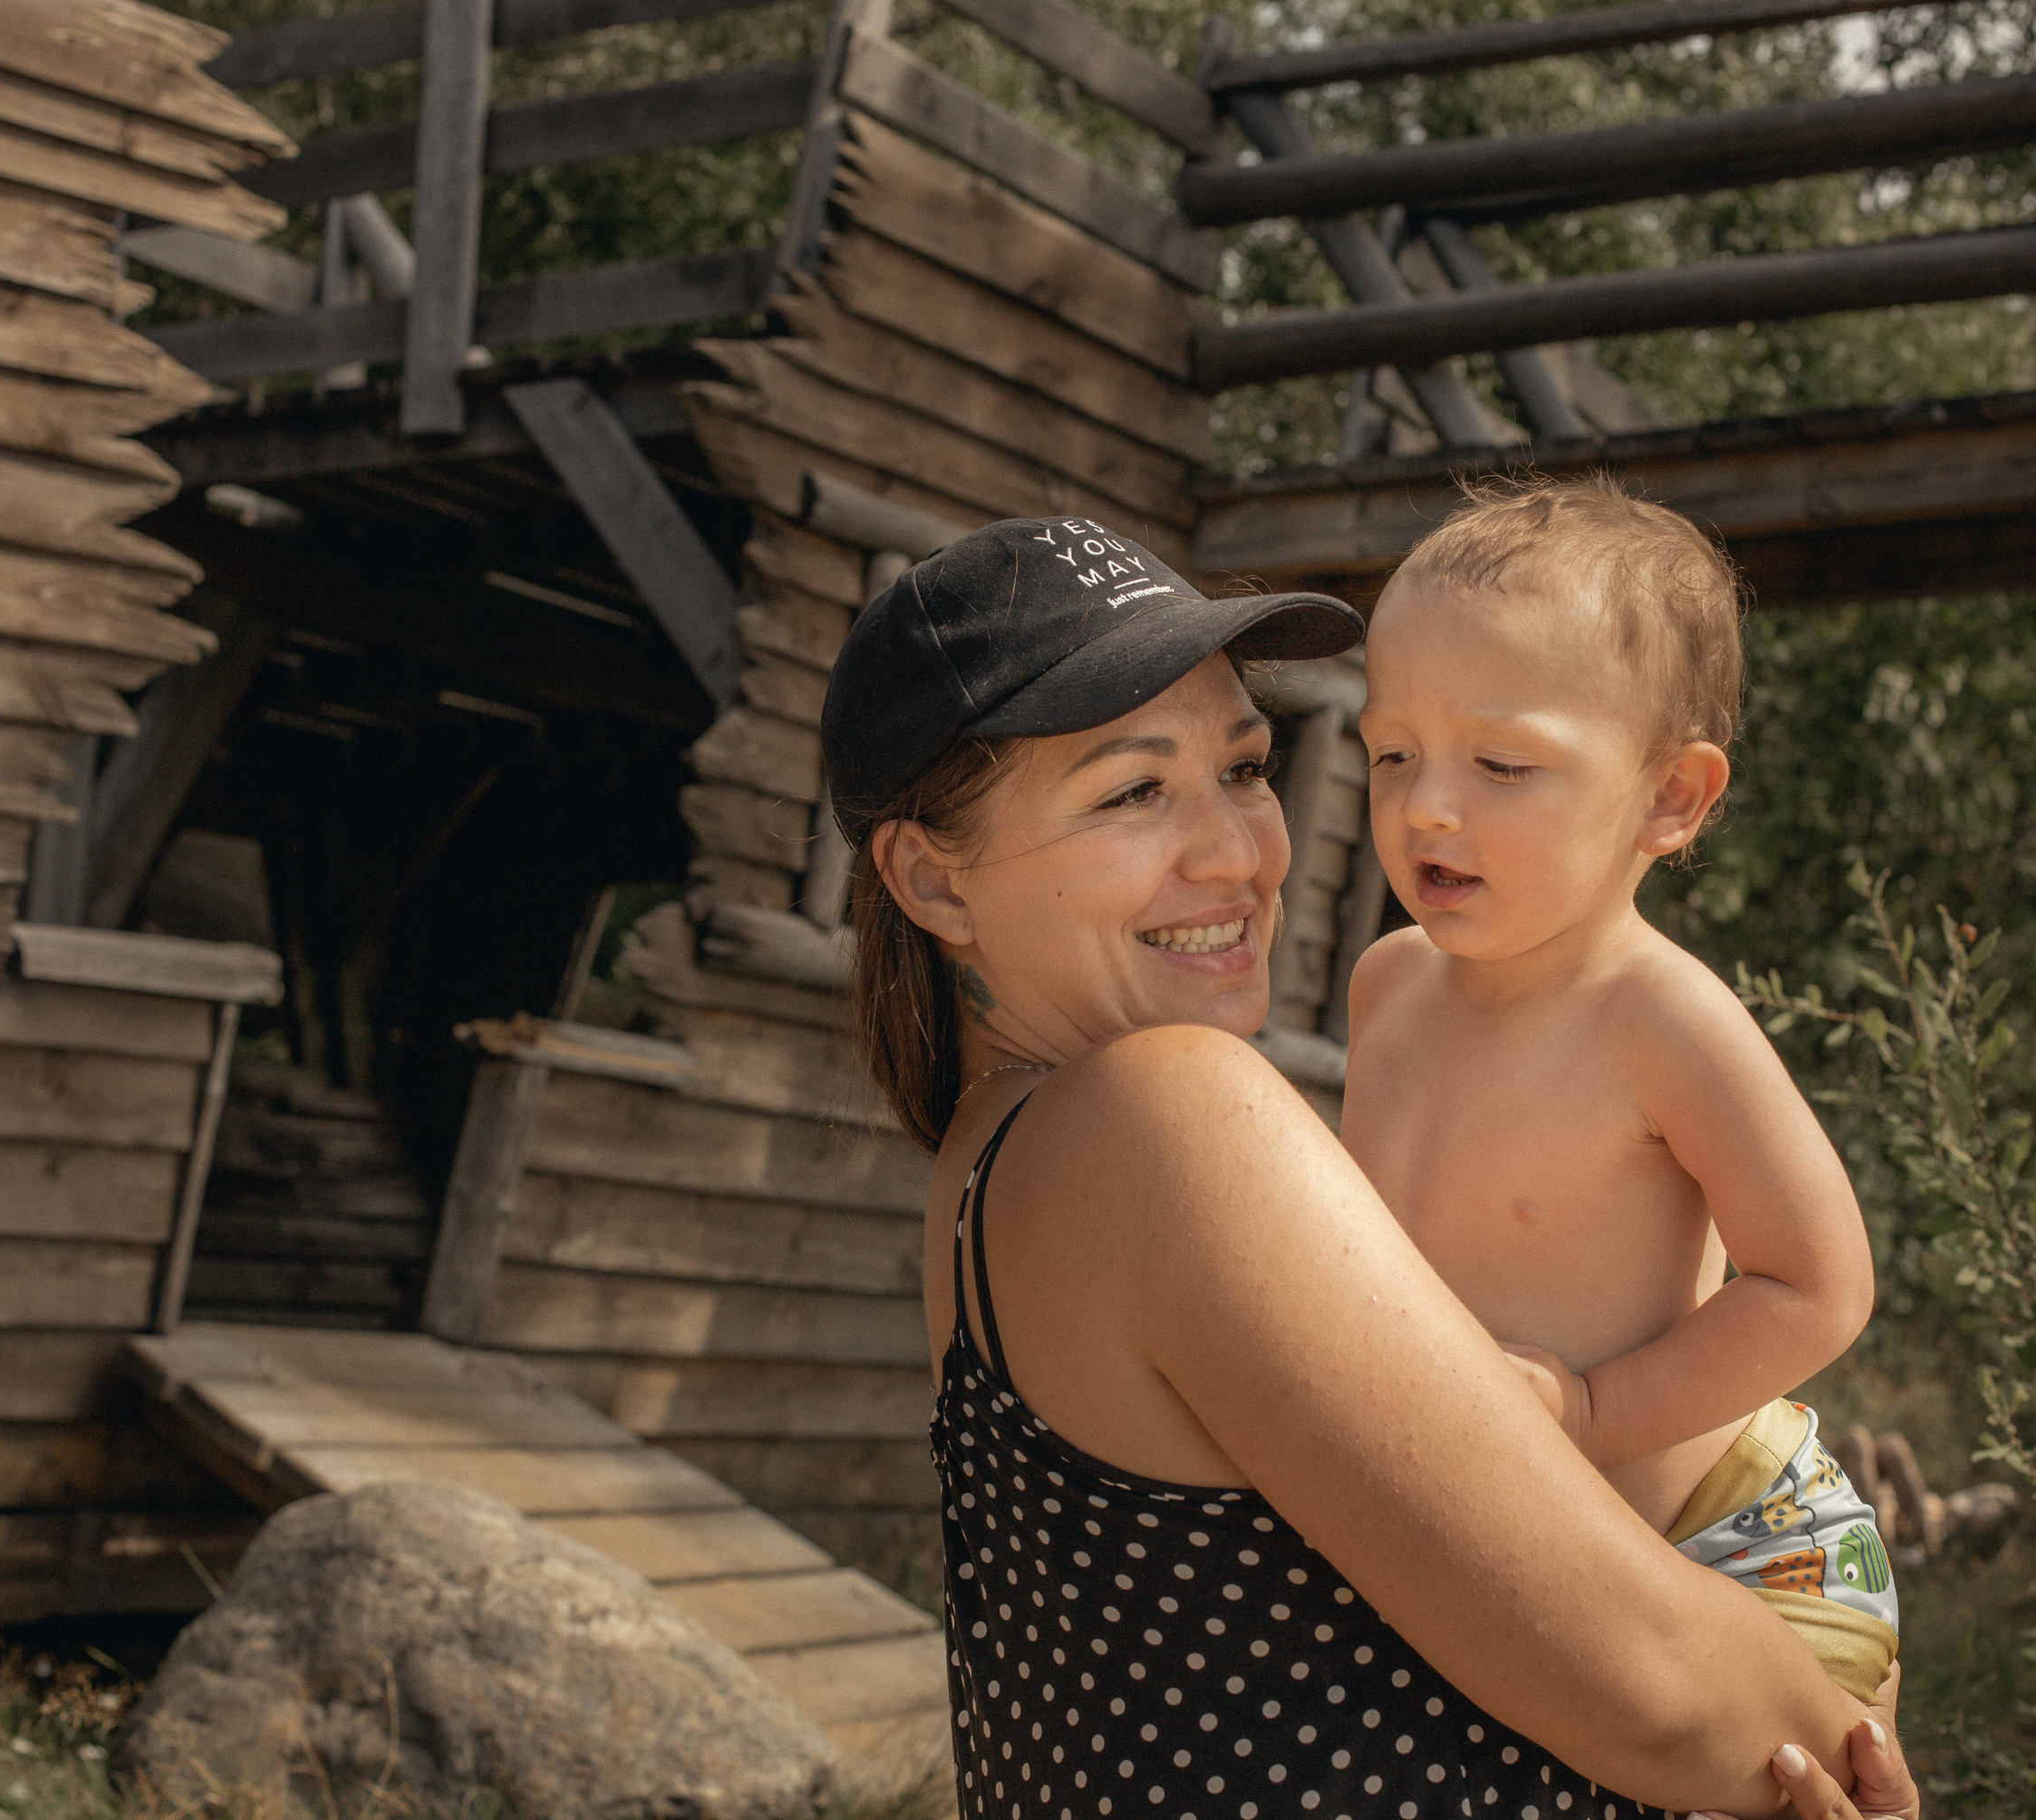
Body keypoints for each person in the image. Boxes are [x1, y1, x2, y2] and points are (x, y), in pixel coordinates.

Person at [817, 515, 1918, 1820]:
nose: (1241, 851)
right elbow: (1673, 1696)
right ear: (934, 886)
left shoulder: (990, 1177)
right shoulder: (1163, 1116)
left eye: (1246, 767)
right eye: (1132, 791)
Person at [1340, 477, 1897, 1706]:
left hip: (1744, 1554)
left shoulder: (1664, 1021)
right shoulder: (1386, 990)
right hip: (1528, 1564)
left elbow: (1820, 1285)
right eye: (1391, 752)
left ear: (1669, 798)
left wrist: (1591, 1412)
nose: (1426, 803)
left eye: (1500, 761)